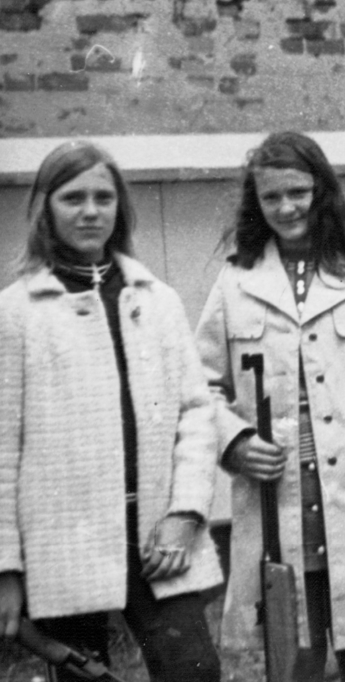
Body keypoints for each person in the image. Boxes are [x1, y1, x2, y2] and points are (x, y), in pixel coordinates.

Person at [196, 131, 345, 682]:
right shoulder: (236, 281)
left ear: (322, 191)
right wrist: (233, 441)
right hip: (277, 496)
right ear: (255, 204)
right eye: (272, 197)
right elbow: (199, 388)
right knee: (292, 653)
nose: (286, 207)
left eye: (299, 192)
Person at [0, 140, 224, 682]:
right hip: (63, 543)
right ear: (45, 209)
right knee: (84, 675)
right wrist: (7, 568)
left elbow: (196, 413)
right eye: (73, 198)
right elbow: (2, 449)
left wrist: (186, 514)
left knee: (193, 668)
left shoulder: (157, 299)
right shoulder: (16, 312)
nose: (91, 211)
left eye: (104, 197)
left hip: (158, 540)